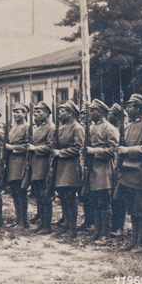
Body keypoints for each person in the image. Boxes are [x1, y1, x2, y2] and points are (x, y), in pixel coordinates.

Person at [115, 94, 142, 253]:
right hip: (128, 173)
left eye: (130, 106)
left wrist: (128, 150)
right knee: (131, 209)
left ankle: (141, 243)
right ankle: (133, 241)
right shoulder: (127, 127)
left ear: (138, 108)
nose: (127, 109)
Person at [83, 99, 119, 245]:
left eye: (92, 111)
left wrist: (94, 151)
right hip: (92, 169)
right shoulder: (90, 128)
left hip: (103, 170)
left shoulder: (109, 129)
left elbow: (113, 150)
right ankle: (97, 231)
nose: (90, 113)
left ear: (101, 112)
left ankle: (105, 234)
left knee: (104, 203)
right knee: (94, 202)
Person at [52, 100, 84, 239]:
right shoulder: (61, 128)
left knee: (70, 198)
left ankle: (72, 229)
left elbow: (79, 148)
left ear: (71, 113)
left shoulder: (77, 128)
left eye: (62, 111)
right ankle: (66, 224)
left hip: (71, 167)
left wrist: (61, 153)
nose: (59, 114)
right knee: (63, 197)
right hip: (60, 167)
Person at [28, 102, 55, 235]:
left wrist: (35, 148)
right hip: (35, 165)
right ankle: (42, 223)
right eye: (35, 112)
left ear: (47, 114)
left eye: (39, 112)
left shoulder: (51, 128)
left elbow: (50, 147)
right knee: (38, 196)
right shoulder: (37, 128)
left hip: (44, 166)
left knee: (45, 196)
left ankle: (47, 226)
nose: (35, 115)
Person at [4, 102, 30, 229]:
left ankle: (24, 221)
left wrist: (12, 147)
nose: (15, 114)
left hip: (20, 163)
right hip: (11, 163)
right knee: (14, 192)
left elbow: (27, 146)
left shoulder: (27, 127)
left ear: (25, 113)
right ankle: (18, 219)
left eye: (18, 111)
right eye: (14, 111)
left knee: (21, 192)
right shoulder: (13, 128)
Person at [107, 103, 127, 237]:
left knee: (119, 199)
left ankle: (119, 226)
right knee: (112, 198)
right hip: (112, 165)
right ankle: (113, 224)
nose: (109, 116)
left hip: (121, 166)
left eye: (111, 114)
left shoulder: (123, 129)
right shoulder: (112, 128)